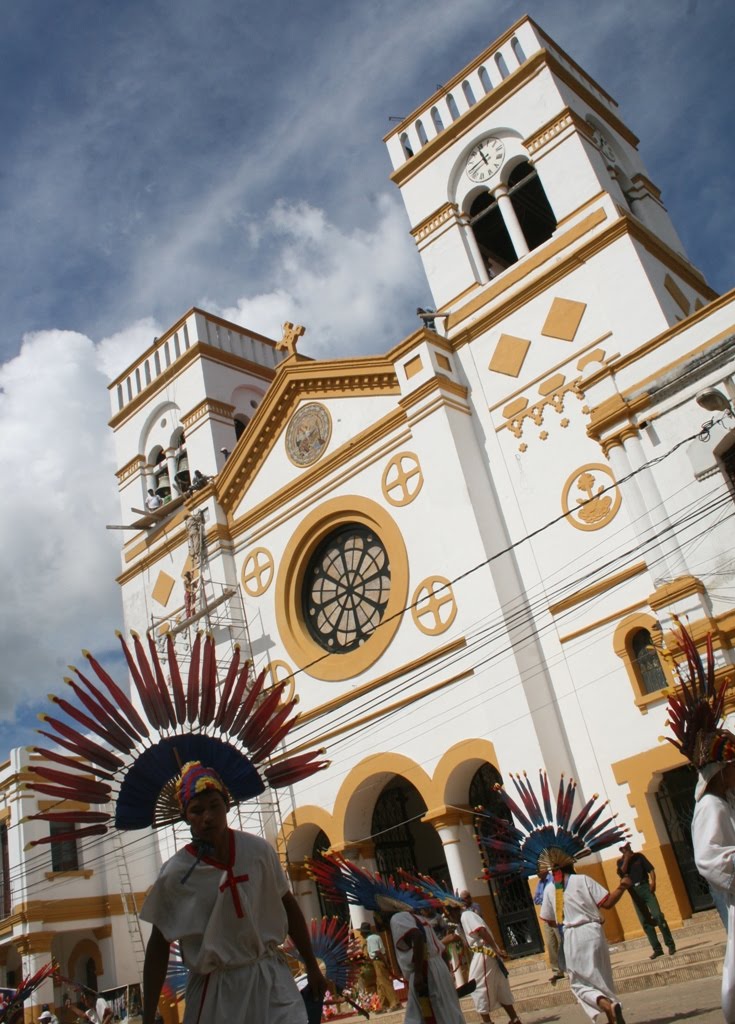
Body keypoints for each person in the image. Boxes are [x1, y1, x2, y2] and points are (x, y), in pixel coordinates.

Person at [139, 761, 327, 1024]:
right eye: (197, 810)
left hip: (270, 977)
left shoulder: (259, 851)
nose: (207, 816)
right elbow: (158, 945)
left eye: (214, 805)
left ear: (226, 805)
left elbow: (287, 903)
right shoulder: (176, 875)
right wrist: (148, 1015)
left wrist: (311, 964)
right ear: (185, 816)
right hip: (217, 990)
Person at [541, 866, 630, 1024]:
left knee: (578, 984)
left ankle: (609, 1005)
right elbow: (607, 903)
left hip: (573, 936)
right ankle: (612, 1018)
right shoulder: (583, 879)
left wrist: (567, 913)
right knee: (603, 977)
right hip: (594, 932)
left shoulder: (550, 889)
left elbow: (551, 921)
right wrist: (622, 886)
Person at [389, 908, 466, 1024]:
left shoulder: (397, 918)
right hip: (438, 968)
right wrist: (447, 974)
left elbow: (418, 936)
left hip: (426, 971)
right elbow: (443, 951)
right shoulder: (419, 918)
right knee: (449, 1013)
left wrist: (419, 973)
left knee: (433, 1015)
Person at [459, 890, 522, 1024]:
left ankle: (487, 1022)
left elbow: (480, 930)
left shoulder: (466, 915)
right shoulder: (464, 917)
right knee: (499, 985)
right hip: (489, 954)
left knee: (475, 986)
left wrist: (496, 948)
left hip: (485, 954)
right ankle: (514, 1019)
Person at [616, 842, 675, 959]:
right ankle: (657, 949)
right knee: (645, 921)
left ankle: (670, 944)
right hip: (634, 892)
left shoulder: (639, 857)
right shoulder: (620, 862)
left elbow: (651, 870)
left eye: (628, 846)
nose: (628, 848)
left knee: (658, 916)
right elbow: (622, 873)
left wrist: (653, 883)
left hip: (645, 888)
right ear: (621, 849)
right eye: (625, 847)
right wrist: (627, 859)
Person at [533, 867, 565, 983]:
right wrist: (544, 898)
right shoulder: (540, 883)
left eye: (538, 870)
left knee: (561, 940)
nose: (536, 873)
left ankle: (569, 966)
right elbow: (535, 899)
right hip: (546, 916)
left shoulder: (552, 880)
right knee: (550, 943)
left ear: (545, 869)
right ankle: (557, 971)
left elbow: (557, 895)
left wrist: (544, 898)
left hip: (556, 914)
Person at [360, 921, 401, 1013]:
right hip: (377, 961)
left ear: (364, 932)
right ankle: (383, 1005)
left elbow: (377, 952)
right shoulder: (376, 937)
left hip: (378, 961)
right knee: (379, 984)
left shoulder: (370, 939)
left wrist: (386, 963)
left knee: (385, 982)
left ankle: (395, 1003)